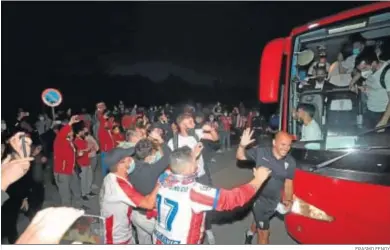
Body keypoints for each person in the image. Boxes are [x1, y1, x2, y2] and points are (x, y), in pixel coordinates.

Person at [153, 146, 272, 244]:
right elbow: (232, 199)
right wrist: (258, 180)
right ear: (188, 167)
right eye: (195, 161)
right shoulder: (194, 192)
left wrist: (191, 157)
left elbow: (177, 166)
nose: (198, 165)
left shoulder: (163, 178)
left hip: (159, 239)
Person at [237, 129, 296, 244]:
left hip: (275, 201)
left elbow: (288, 182)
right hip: (259, 200)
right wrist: (241, 146)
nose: (286, 148)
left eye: (289, 145)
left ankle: (249, 233)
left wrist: (288, 200)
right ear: (274, 142)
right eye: (283, 144)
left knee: (260, 221)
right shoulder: (261, 152)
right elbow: (240, 157)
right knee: (264, 234)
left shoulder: (290, 162)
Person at [167, 113, 219, 244]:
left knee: (206, 204)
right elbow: (175, 164)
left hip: (201, 175)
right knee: (189, 208)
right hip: (185, 180)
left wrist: (211, 129)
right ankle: (191, 232)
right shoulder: (173, 142)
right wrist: (194, 155)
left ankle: (207, 228)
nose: (194, 122)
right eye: (190, 121)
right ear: (181, 123)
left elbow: (215, 138)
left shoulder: (196, 133)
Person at [100, 147, 157, 244]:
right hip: (117, 239)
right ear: (121, 164)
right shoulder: (119, 185)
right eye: (129, 159)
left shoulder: (113, 177)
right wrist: (160, 184)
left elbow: (138, 198)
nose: (132, 160)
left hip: (124, 231)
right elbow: (149, 204)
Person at [355, 49, 390, 129]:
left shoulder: (387, 74)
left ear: (373, 63)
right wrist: (360, 87)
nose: (363, 73)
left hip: (383, 114)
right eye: (361, 70)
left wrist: (383, 121)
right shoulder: (372, 70)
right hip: (370, 110)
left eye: (364, 69)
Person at [53, 115, 82, 207]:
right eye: (71, 130)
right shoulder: (59, 140)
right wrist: (70, 123)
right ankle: (67, 215)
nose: (72, 132)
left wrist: (77, 154)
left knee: (77, 190)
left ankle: (79, 208)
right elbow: (62, 133)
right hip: (62, 172)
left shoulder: (69, 142)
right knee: (66, 196)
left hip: (70, 169)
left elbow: (68, 155)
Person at [73, 123, 95, 201]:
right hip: (82, 162)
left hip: (87, 160)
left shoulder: (82, 139)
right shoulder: (77, 141)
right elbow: (81, 151)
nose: (83, 132)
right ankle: (83, 193)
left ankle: (88, 191)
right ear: (78, 132)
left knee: (89, 177)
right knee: (84, 179)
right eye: (81, 131)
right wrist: (88, 148)